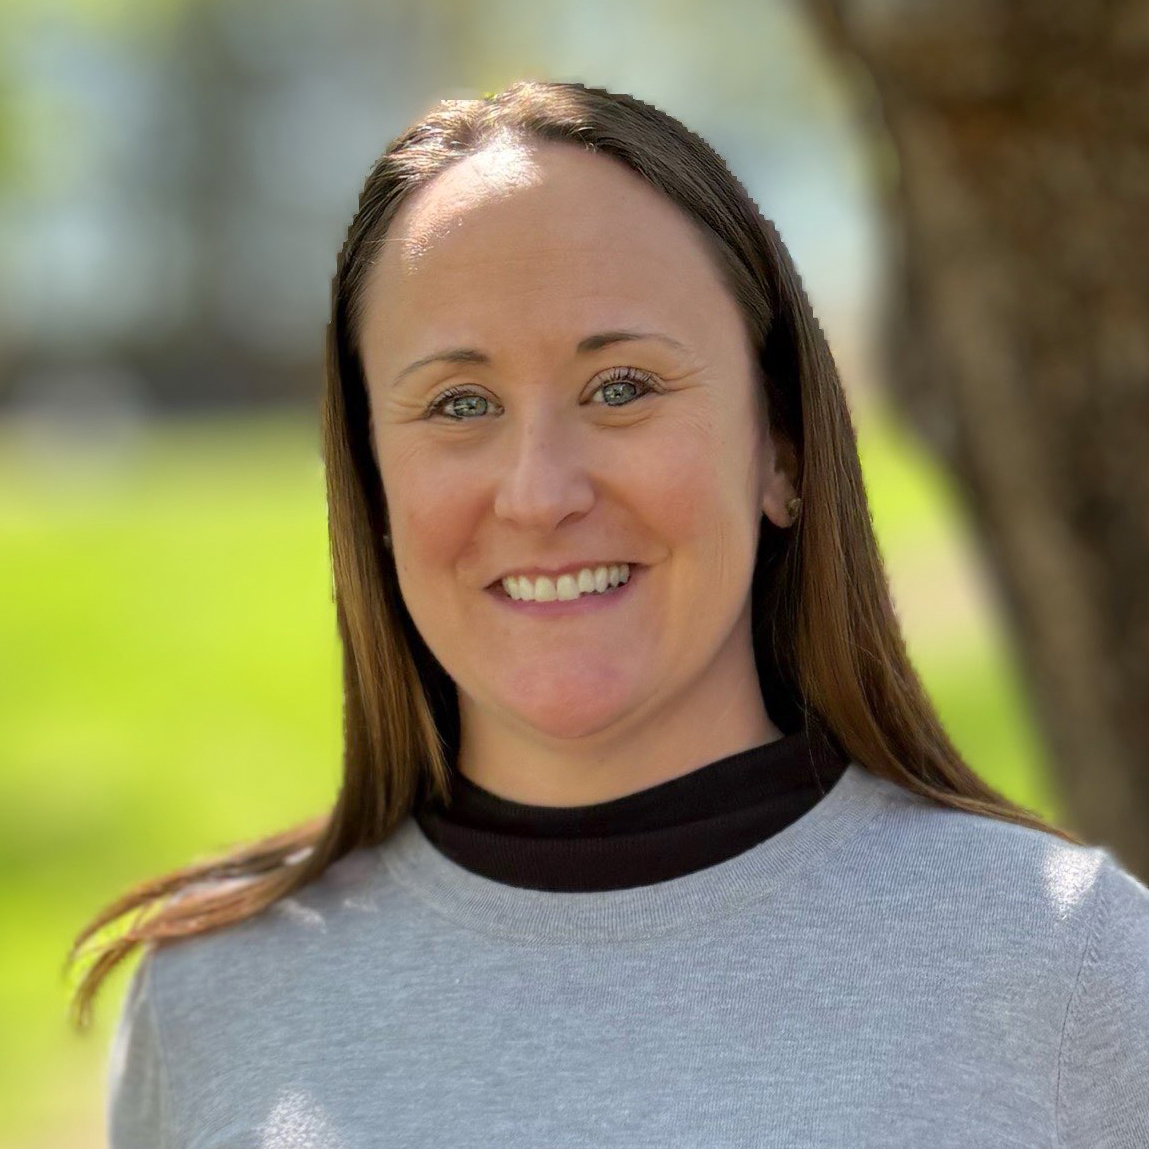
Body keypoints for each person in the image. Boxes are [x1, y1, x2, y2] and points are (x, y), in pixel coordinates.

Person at [70, 80, 1149, 1147]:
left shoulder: (1069, 965)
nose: (540, 493)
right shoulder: (212, 1003)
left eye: (622, 387)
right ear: (374, 484)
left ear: (780, 450)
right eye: (459, 404)